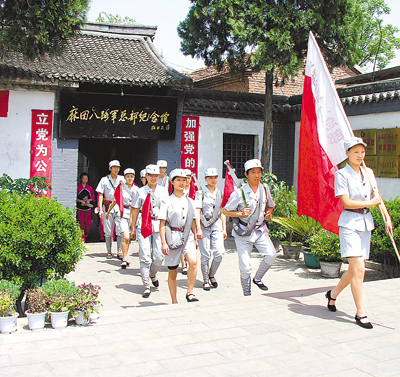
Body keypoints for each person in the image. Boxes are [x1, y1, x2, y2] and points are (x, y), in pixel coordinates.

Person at [326, 137, 393, 329]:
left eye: (362, 152)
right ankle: (360, 312)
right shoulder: (342, 174)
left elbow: (376, 196)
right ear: (347, 154)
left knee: (355, 269)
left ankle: (333, 295)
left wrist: (386, 217)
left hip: (366, 223)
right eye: (356, 152)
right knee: (360, 269)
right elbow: (346, 203)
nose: (360, 155)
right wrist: (370, 204)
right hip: (349, 224)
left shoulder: (369, 172)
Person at [222, 159, 276, 296]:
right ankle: (247, 294)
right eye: (253, 172)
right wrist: (240, 213)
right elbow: (225, 211)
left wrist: (269, 212)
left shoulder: (264, 189)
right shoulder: (239, 193)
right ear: (246, 175)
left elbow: (271, 204)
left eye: (259, 172)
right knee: (246, 267)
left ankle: (257, 279)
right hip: (243, 232)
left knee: (271, 255)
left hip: (260, 230)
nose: (257, 175)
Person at [159, 168, 199, 303]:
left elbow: (192, 221)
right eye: (178, 180)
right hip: (173, 237)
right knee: (173, 271)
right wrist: (164, 242)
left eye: (184, 180)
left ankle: (190, 292)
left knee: (193, 262)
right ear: (172, 182)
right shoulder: (166, 201)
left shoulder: (190, 201)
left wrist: (195, 234)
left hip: (187, 236)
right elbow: (163, 223)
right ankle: (174, 300)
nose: (182, 183)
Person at [130, 164, 169, 298]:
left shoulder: (164, 191)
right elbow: (135, 209)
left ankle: (152, 273)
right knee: (145, 256)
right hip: (144, 225)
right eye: (151, 175)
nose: (153, 178)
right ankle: (146, 285)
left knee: (159, 257)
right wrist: (133, 227)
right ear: (146, 176)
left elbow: (167, 210)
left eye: (156, 176)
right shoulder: (139, 191)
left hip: (158, 225)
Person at [195, 168, 227, 290]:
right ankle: (205, 280)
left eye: (215, 177)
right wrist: (198, 229)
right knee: (206, 253)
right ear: (206, 179)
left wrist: (224, 228)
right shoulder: (201, 193)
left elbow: (223, 211)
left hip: (216, 224)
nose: (213, 180)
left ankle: (212, 274)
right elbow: (197, 211)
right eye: (210, 178)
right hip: (204, 225)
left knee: (219, 252)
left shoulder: (221, 193)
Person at [106, 168, 138, 269]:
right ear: (125, 178)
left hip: (133, 215)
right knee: (126, 237)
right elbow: (115, 201)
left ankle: (125, 255)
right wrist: (108, 211)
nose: (130, 178)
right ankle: (124, 259)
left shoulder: (137, 190)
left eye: (131, 177)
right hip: (123, 214)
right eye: (128, 177)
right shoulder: (121, 188)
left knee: (129, 238)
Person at [96, 160, 124, 259]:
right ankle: (109, 251)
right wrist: (100, 209)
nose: (116, 169)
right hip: (107, 206)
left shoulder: (122, 179)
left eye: (118, 167)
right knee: (108, 230)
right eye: (114, 167)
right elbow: (100, 194)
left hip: (118, 206)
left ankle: (119, 251)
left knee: (120, 229)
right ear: (110, 168)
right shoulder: (104, 180)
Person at [76, 172, 95, 242]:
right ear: (81, 179)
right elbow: (75, 198)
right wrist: (81, 201)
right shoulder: (78, 188)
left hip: (88, 209)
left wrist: (88, 201)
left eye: (86, 179)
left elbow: (93, 198)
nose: (84, 180)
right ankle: (82, 238)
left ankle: (86, 233)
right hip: (80, 208)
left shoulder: (89, 188)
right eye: (83, 179)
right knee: (81, 223)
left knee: (88, 223)